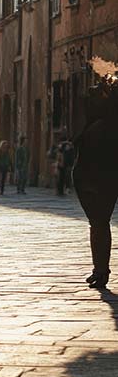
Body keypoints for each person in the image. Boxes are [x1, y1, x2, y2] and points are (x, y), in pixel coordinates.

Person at [74, 82, 118, 289]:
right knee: (98, 225)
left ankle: (101, 270)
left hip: (101, 182)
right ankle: (99, 269)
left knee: (99, 225)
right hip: (96, 182)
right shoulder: (98, 124)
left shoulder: (102, 127)